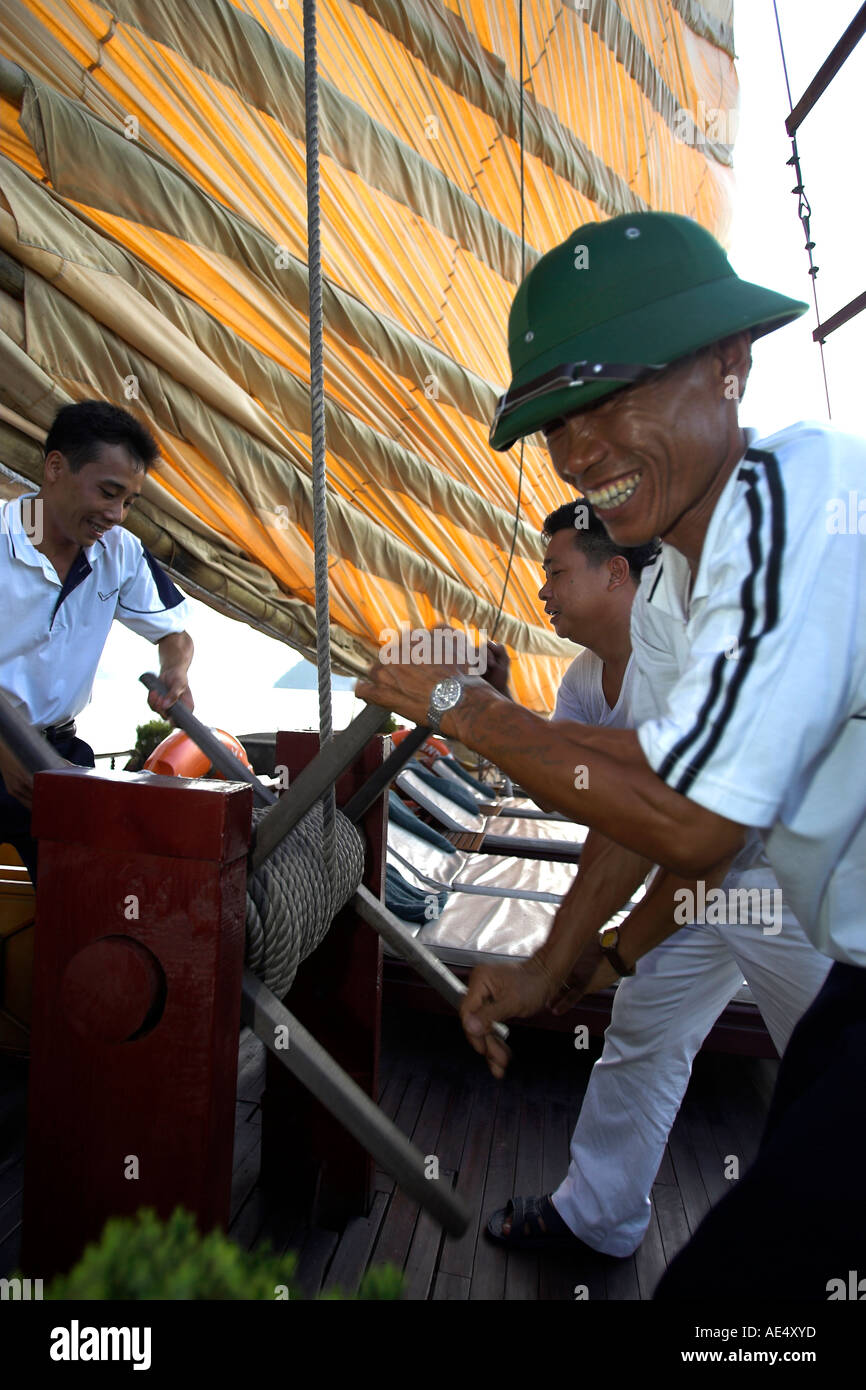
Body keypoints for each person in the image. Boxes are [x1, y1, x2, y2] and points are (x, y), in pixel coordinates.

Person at [356, 211, 866, 1298]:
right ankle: (598, 1213)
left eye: (615, 393)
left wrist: (472, 713)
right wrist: (557, 962)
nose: (582, 451)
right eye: (556, 425)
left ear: (730, 365)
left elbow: (692, 823)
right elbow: (648, 789)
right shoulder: (681, 583)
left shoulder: (791, 494)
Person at [482, 500, 830, 1255]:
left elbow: (692, 832)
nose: (542, 590)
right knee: (643, 1031)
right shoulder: (588, 681)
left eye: (555, 571)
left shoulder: (686, 648)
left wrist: (603, 953)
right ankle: (597, 1216)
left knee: (832, 1052)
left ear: (617, 574)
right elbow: (593, 801)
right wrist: (502, 711)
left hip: (786, 883)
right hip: (697, 877)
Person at [0, 399, 195, 881]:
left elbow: (175, 628)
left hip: (57, 754)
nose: (117, 514)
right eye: (108, 493)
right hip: (8, 749)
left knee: (91, 902)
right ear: (55, 467)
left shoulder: (119, 552)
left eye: (129, 502)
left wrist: (175, 669)